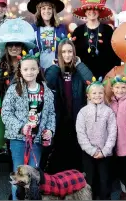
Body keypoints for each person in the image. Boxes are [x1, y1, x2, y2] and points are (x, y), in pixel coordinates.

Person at [1, 51, 56, 200]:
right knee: (18, 176)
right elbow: (5, 113)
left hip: (36, 141)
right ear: (20, 71)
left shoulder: (46, 91)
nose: (29, 72)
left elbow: (51, 114)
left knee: (34, 176)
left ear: (38, 70)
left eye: (33, 69)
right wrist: (21, 127)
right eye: (25, 69)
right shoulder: (14, 90)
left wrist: (50, 130)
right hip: (18, 140)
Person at [44, 39, 93, 173]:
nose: (67, 55)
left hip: (77, 115)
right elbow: (47, 84)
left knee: (76, 149)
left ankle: (76, 180)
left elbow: (91, 80)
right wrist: (54, 66)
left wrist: (80, 64)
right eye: (63, 52)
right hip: (60, 117)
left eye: (70, 51)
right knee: (61, 149)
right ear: (59, 54)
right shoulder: (54, 70)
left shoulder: (78, 70)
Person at [76, 78, 117, 200]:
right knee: (89, 181)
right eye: (94, 93)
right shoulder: (83, 112)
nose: (97, 95)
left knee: (104, 181)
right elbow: (81, 133)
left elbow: (112, 132)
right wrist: (92, 151)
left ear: (104, 94)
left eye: (100, 93)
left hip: (105, 153)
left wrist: (105, 151)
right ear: (88, 95)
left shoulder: (109, 112)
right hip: (88, 153)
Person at [72, 0, 121, 79]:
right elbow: (74, 56)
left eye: (95, 8)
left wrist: (112, 75)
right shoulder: (78, 31)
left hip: (106, 76)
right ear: (85, 12)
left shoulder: (108, 30)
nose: (92, 11)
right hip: (83, 77)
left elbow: (115, 55)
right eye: (89, 9)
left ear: (99, 11)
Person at [0, 18, 36, 101]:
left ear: (22, 47)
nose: (13, 47)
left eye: (17, 44)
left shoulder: (31, 65)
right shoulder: (0, 66)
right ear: (6, 47)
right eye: (10, 44)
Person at [27, 0, 67, 71]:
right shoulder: (32, 28)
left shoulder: (61, 28)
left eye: (49, 8)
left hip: (57, 70)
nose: (46, 11)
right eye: (43, 8)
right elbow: (28, 50)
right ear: (39, 11)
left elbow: (65, 49)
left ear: (53, 11)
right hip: (37, 71)